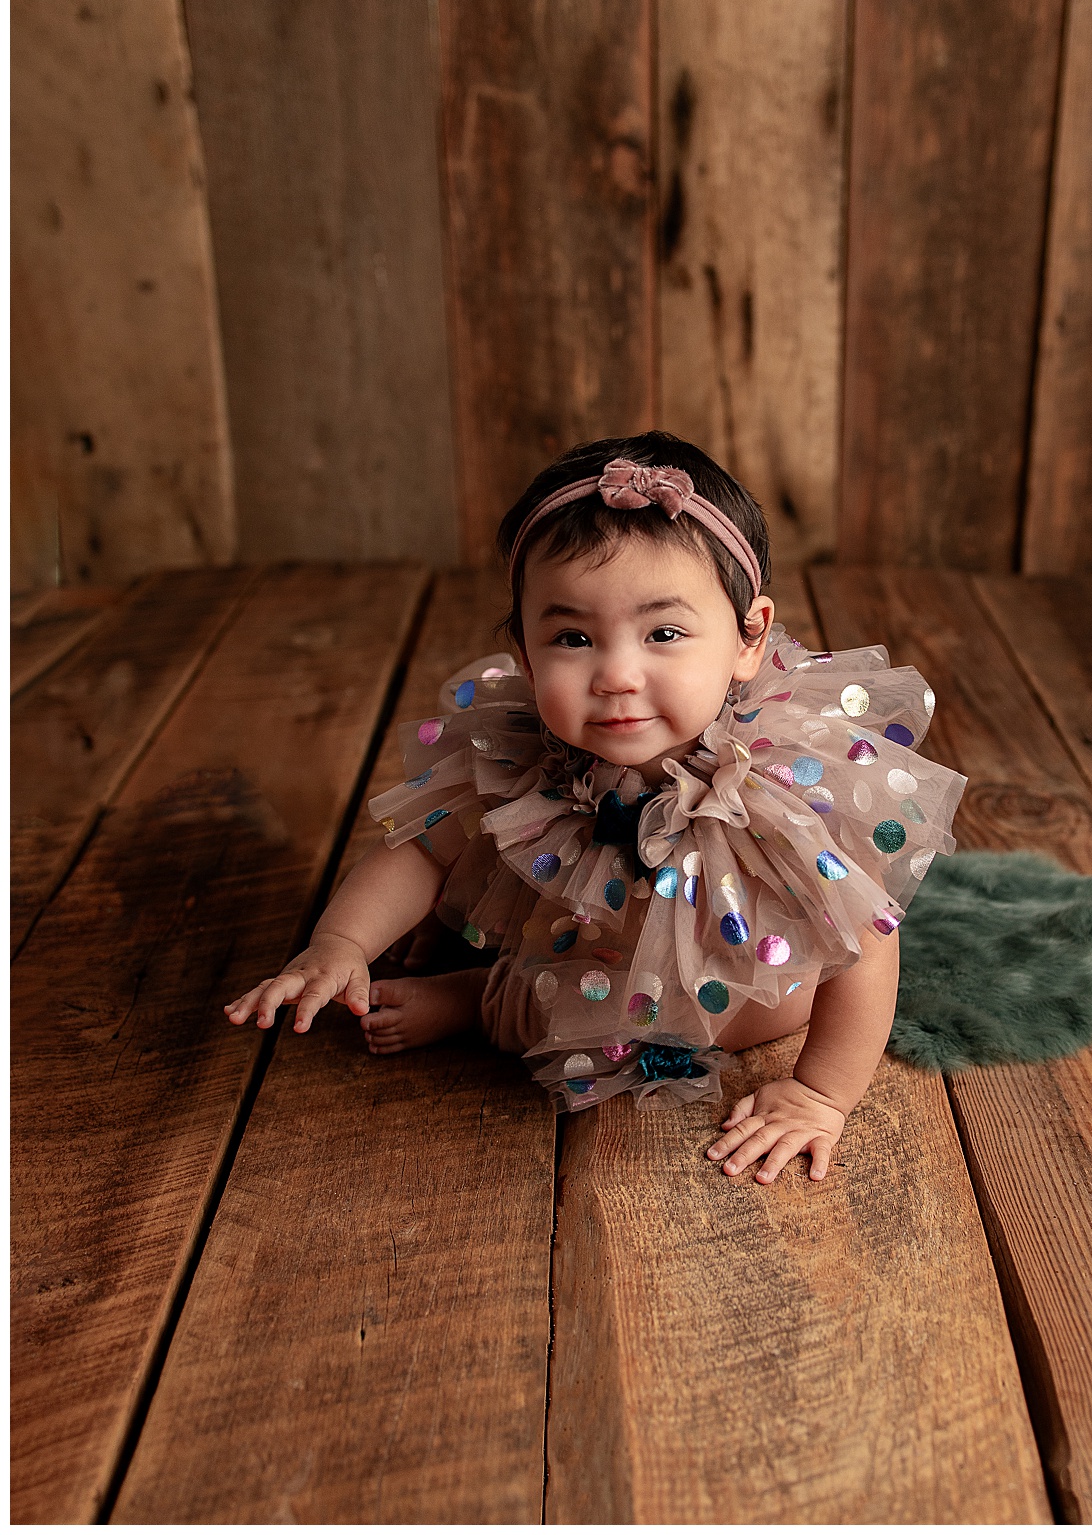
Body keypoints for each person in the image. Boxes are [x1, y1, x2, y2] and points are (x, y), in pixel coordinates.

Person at [225, 434, 965, 1185]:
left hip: (747, 980)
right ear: (524, 650)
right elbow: (421, 849)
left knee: (773, 1007)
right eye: (572, 637)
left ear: (749, 638)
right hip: (585, 956)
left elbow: (866, 937)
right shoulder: (521, 753)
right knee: (545, 1008)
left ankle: (479, 997)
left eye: (664, 633)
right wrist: (341, 942)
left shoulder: (781, 780)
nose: (616, 674)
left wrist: (819, 1093)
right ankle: (480, 1000)